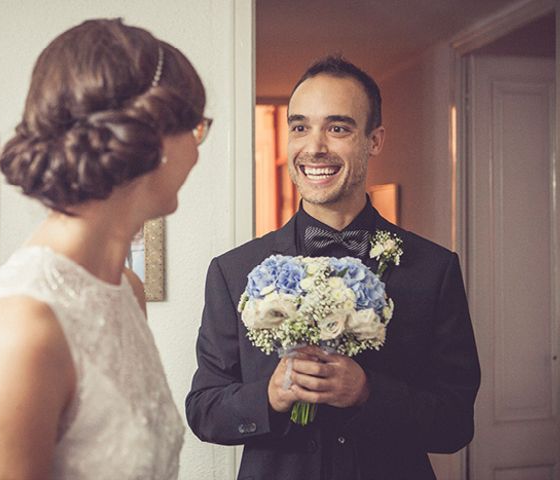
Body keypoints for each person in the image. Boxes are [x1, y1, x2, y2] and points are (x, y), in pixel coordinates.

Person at [185, 55, 480, 479]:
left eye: (337, 128)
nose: (314, 146)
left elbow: (455, 423)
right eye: (300, 127)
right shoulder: (234, 272)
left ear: (374, 140)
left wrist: (368, 393)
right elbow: (203, 410)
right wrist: (268, 397)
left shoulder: (434, 270)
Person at [0, 18, 210, 480]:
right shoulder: (22, 328)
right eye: (196, 128)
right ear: (153, 134)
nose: (198, 151)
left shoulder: (127, 289)